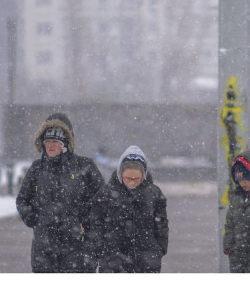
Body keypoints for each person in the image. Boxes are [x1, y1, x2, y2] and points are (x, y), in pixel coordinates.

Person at [16, 113, 105, 273]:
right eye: (47, 141)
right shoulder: (37, 169)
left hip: (79, 248)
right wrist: (34, 219)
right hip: (44, 249)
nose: (50, 145)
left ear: (65, 143)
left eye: (55, 141)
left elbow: (102, 201)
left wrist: (86, 222)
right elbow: (22, 200)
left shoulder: (85, 167)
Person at [89, 145, 168, 273]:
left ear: (144, 175)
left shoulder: (154, 194)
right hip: (112, 263)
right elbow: (95, 224)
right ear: (120, 174)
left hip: (146, 263)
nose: (132, 182)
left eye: (136, 178)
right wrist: (102, 251)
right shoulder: (105, 194)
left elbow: (161, 225)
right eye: (128, 177)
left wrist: (158, 251)